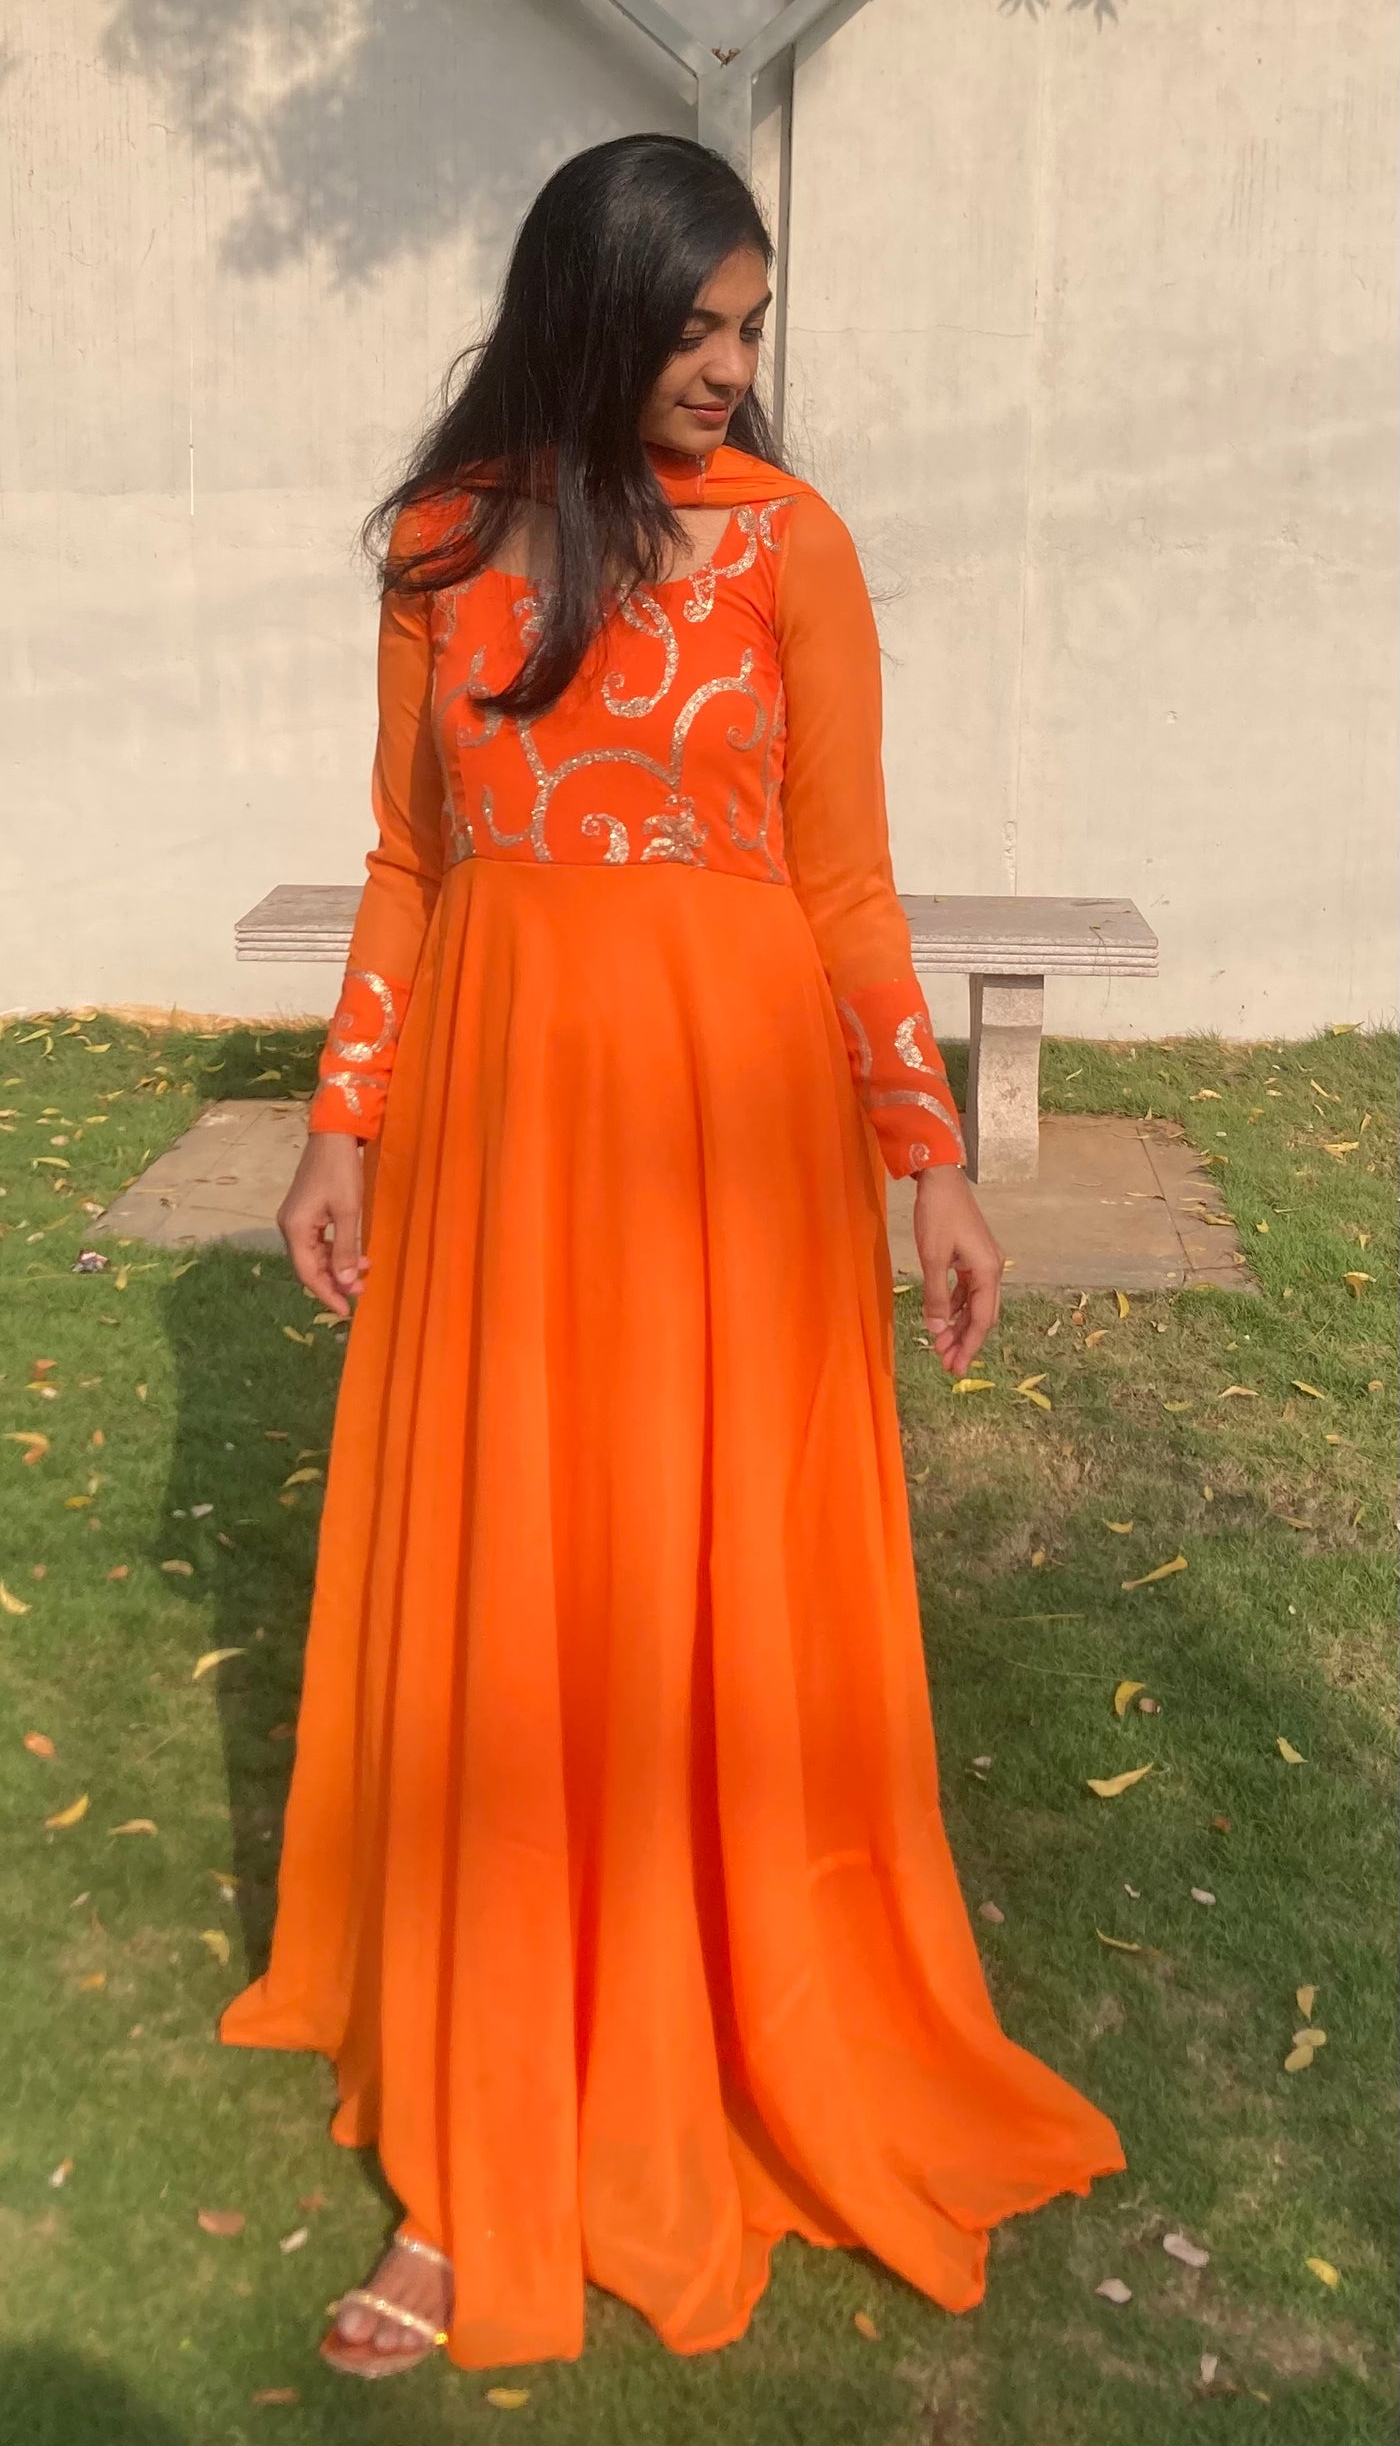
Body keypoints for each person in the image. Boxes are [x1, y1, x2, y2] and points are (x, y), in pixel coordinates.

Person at [218, 132, 1124, 2381]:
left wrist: (930, 1157)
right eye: (693, 326)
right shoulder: (448, 542)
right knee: (524, 1592)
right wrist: (342, 1116)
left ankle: (727, 2014)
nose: (729, 366)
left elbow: (847, 879)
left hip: (733, 1139)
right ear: (591, 307)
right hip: (504, 1126)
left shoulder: (790, 547)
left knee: (700, 1575)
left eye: (749, 328)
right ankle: (480, 2146)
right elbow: (410, 857)